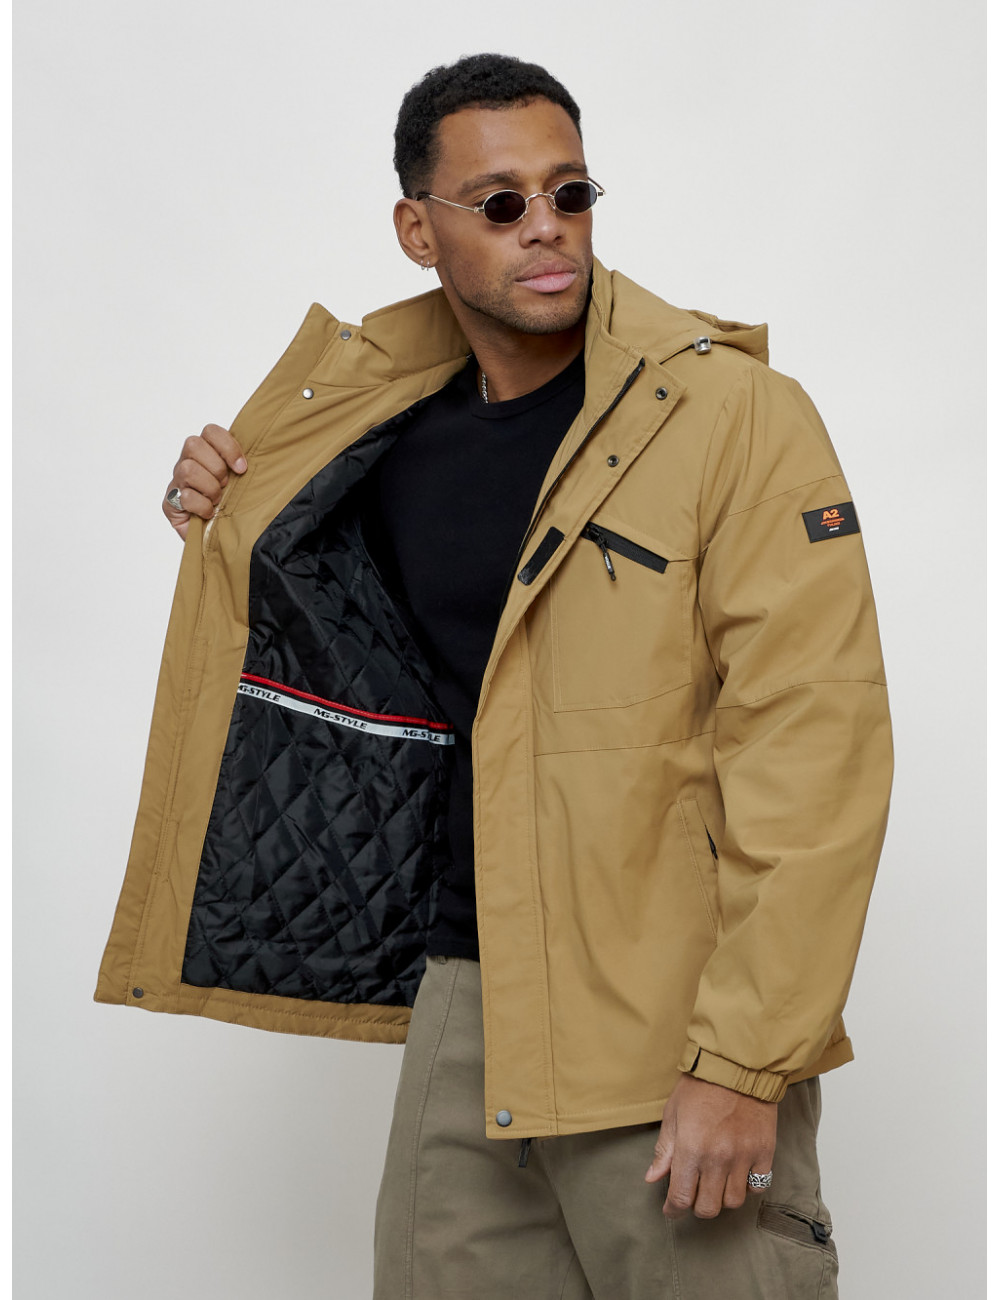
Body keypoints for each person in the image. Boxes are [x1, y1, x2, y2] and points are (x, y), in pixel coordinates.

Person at [96, 53, 892, 1298]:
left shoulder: (732, 416)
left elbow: (815, 746)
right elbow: (342, 660)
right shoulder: (383, 431)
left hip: (668, 1013)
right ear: (418, 230)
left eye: (570, 193)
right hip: (465, 997)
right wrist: (228, 511)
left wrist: (745, 1060)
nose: (547, 228)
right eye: (502, 202)